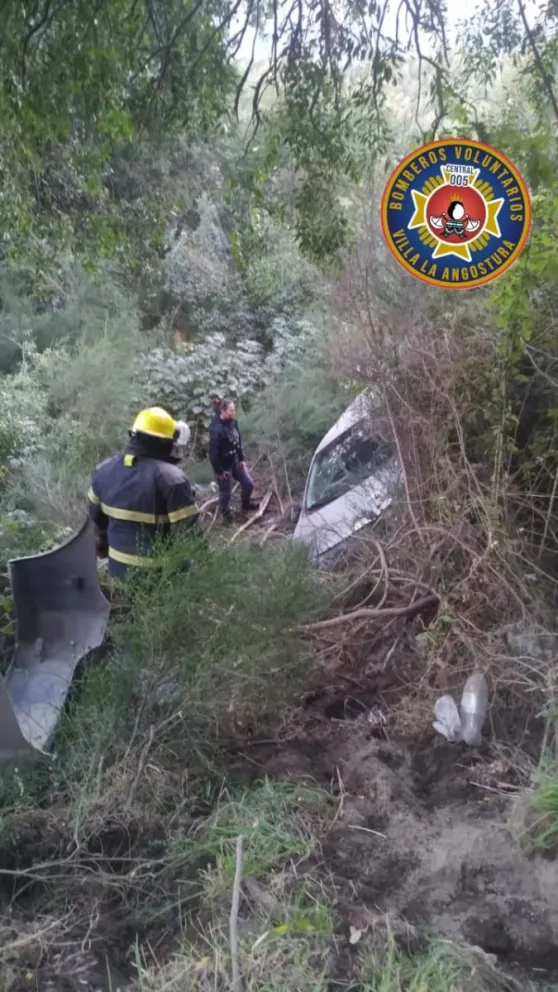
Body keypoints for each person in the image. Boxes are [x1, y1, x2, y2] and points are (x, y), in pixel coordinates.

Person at [87, 407, 200, 578]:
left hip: (117, 571)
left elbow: (96, 520)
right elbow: (190, 537)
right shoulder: (172, 479)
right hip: (158, 576)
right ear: (164, 443)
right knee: (190, 562)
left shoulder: (103, 470)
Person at [209, 398, 259, 524]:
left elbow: (238, 441)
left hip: (235, 460)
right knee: (225, 494)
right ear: (223, 411)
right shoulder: (216, 431)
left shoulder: (233, 423)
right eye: (231, 410)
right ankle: (226, 517)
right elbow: (213, 455)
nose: (234, 412)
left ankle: (245, 505)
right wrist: (219, 472)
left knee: (248, 483)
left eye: (234, 410)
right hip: (223, 466)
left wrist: (241, 458)